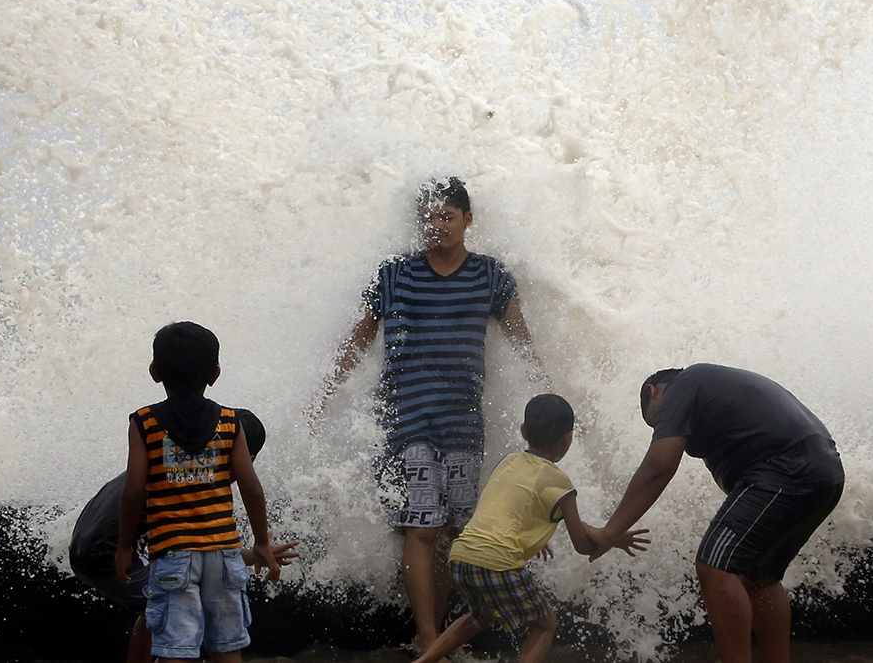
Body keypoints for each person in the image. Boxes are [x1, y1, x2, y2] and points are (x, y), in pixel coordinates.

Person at [306, 177, 545, 654]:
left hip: (462, 420)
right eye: (429, 218)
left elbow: (519, 335)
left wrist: (544, 384)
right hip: (406, 416)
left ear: (467, 220)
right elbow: (361, 337)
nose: (437, 227)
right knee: (421, 527)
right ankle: (433, 639)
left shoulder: (491, 276)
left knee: (453, 529)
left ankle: (427, 637)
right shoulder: (394, 274)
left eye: (446, 217)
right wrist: (327, 390)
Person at [589, 364, 845, 663]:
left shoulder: (683, 385)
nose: (666, 427)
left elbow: (658, 469)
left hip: (786, 468)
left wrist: (609, 532)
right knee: (760, 578)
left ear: (653, 392)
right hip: (825, 473)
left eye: (657, 421)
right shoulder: (717, 394)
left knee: (715, 567)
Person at [411, 394, 649, 663]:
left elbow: (507, 510)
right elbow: (582, 545)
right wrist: (611, 538)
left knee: (480, 616)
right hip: (497, 562)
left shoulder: (508, 462)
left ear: (524, 432)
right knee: (544, 624)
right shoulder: (561, 484)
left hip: (462, 556)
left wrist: (532, 534)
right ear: (567, 439)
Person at [70, 409, 299, 663]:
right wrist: (256, 551)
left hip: (84, 544)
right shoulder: (198, 482)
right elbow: (206, 551)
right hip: (106, 552)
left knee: (155, 608)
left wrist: (250, 554)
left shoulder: (174, 462)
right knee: (180, 609)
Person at [117, 321, 282, 663]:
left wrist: (124, 546)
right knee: (226, 646)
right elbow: (250, 486)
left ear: (154, 372)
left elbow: (133, 491)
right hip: (223, 555)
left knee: (175, 647)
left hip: (173, 553)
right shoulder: (229, 421)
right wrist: (262, 542)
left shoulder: (144, 423)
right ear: (215, 374)